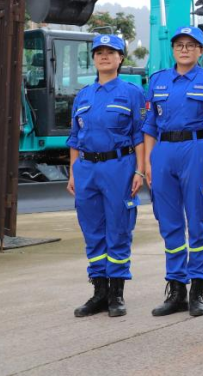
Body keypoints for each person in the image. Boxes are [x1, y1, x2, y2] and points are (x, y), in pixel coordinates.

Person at [143, 25, 203, 317]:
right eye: (180, 45)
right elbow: (149, 124)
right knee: (169, 223)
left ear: (201, 51)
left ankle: (197, 290)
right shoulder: (158, 81)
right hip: (164, 152)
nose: (185, 49)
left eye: (191, 45)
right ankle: (176, 289)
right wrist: (148, 162)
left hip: (197, 150)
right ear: (173, 49)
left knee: (198, 220)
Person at [67, 33, 146, 318]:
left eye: (110, 52)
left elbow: (141, 136)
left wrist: (140, 170)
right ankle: (99, 292)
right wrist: (74, 172)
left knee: (119, 228)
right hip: (86, 169)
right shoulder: (83, 95)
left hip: (119, 167)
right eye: (99, 52)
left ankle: (116, 294)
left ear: (120, 58)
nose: (104, 56)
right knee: (92, 231)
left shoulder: (132, 93)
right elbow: (74, 138)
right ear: (94, 59)